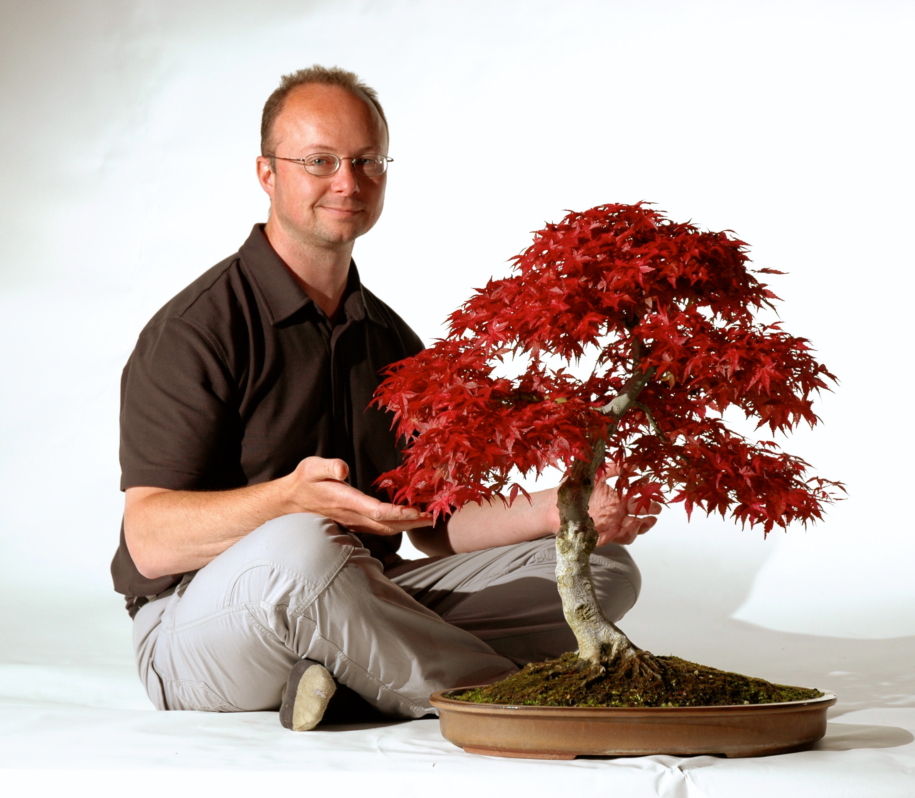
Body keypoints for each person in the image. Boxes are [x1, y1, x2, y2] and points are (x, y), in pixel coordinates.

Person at [111, 65, 658, 731]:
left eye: (367, 161)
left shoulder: (389, 338)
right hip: (196, 629)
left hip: (356, 594)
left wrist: (559, 508)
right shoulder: (196, 329)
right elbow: (150, 542)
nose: (348, 182)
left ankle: (349, 680)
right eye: (319, 161)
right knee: (303, 546)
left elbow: (432, 524)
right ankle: (512, 700)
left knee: (600, 569)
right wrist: (289, 501)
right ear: (267, 174)